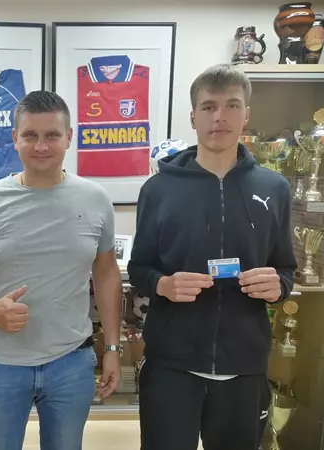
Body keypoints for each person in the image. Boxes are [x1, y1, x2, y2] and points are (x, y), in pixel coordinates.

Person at [128, 63, 297, 450]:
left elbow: (286, 269)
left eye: (231, 105)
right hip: (172, 365)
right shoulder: (158, 189)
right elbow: (139, 268)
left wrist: (278, 286)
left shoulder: (274, 189)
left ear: (246, 114)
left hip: (244, 365)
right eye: (208, 107)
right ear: (193, 116)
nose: (220, 116)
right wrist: (163, 285)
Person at [0, 90, 123, 450]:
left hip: (71, 363)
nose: (41, 146)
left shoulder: (95, 199)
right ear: (15, 138)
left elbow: (106, 272)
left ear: (69, 137)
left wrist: (113, 347)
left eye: (52, 135)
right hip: (0, 366)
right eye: (30, 135)